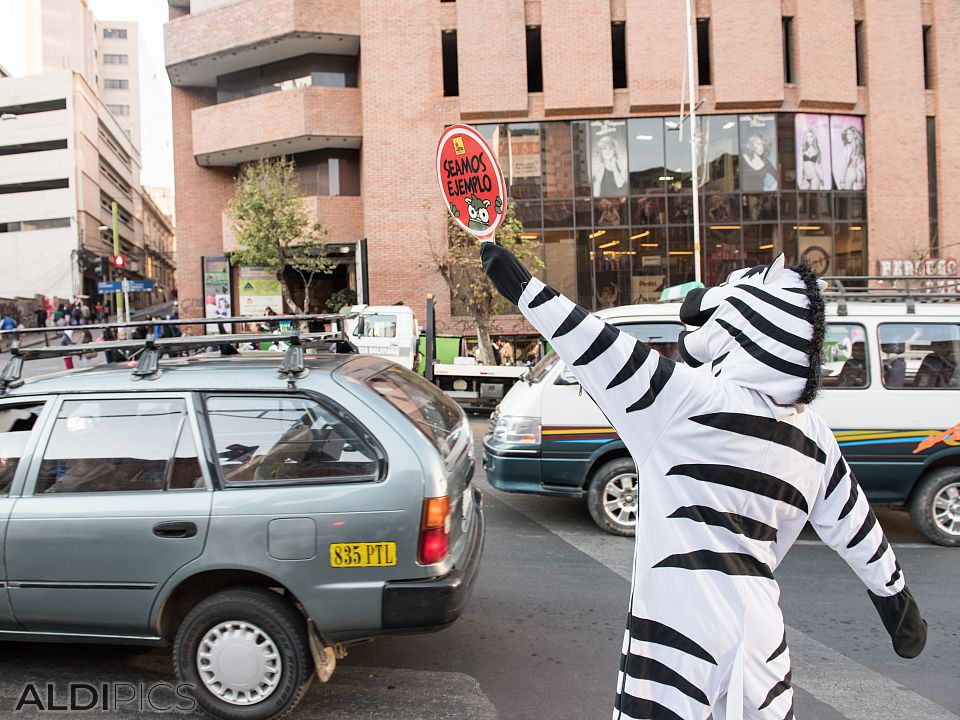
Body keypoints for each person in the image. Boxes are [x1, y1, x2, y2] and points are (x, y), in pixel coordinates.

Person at [479, 241, 926, 719]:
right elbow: (856, 527)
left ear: (741, 322)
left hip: (677, 622)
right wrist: (896, 603)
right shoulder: (814, 437)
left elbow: (596, 346)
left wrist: (524, 288)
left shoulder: (685, 400)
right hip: (761, 632)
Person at [840, 125, 866, 190]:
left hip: (850, 171)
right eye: (847, 134)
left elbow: (846, 163)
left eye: (850, 134)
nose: (847, 136)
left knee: (847, 196)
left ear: (854, 135)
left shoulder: (849, 147)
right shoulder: (858, 147)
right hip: (858, 172)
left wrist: (842, 178)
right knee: (860, 197)